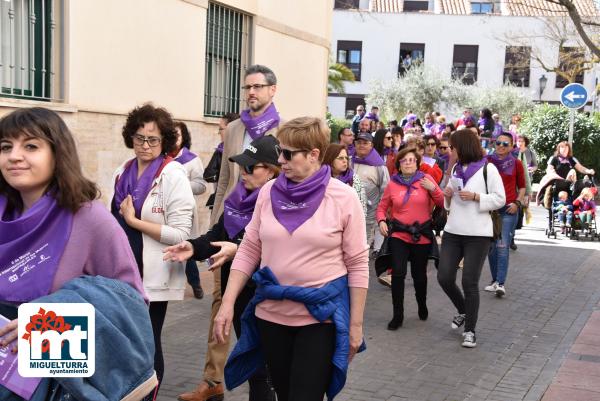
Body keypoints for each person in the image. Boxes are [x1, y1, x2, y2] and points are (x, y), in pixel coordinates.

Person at [0, 107, 152, 396]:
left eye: (31, 146)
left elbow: (131, 305)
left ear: (58, 154)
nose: (14, 156)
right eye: (5, 147)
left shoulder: (89, 218)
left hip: (55, 386)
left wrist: (42, 329)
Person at [214, 117, 369, 401]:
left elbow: (358, 263)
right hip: (271, 316)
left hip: (319, 318)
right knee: (284, 394)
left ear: (313, 154)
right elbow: (250, 248)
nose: (280, 160)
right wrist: (227, 304)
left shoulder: (343, 197)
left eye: (288, 154)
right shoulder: (267, 193)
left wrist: (356, 326)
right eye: (279, 153)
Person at [183, 64, 283, 401]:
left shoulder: (285, 132)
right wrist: (215, 230)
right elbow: (226, 180)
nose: (251, 93)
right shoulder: (234, 129)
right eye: (247, 87)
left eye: (258, 86)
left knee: (257, 313)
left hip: (268, 235)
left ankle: (265, 378)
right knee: (221, 308)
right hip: (230, 224)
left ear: (272, 90)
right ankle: (212, 383)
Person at [165, 135, 281, 401]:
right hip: (239, 294)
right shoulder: (237, 200)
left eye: (251, 167)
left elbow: (277, 250)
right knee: (255, 367)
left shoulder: (279, 204)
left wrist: (238, 249)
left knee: (268, 371)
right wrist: (193, 247)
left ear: (271, 172)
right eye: (242, 165)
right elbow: (217, 236)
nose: (243, 172)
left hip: (267, 296)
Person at [111, 103, 196, 391]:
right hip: (122, 270)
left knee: (147, 340)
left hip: (154, 272)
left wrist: (135, 222)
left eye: (152, 139)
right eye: (139, 138)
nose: (144, 145)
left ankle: (151, 395)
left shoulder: (173, 174)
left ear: (165, 142)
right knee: (125, 341)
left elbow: (181, 234)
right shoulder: (123, 171)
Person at [437, 129, 505, 348]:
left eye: (452, 147)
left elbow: (500, 199)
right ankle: (464, 311)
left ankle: (470, 331)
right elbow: (449, 200)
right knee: (444, 277)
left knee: (469, 282)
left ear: (462, 147)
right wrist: (447, 196)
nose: (450, 151)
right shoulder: (457, 168)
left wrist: (476, 197)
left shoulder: (488, 169)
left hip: (478, 235)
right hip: (453, 231)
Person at [376, 147, 444, 330]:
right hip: (399, 234)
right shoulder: (392, 184)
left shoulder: (426, 180)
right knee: (398, 273)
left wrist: (434, 190)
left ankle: (422, 304)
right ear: (398, 164)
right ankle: (398, 315)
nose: (408, 163)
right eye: (404, 160)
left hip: (421, 234)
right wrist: (381, 220)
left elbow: (442, 202)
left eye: (411, 160)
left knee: (419, 275)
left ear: (417, 163)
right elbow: (382, 207)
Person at [483, 133, 526, 297]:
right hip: (489, 210)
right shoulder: (487, 161)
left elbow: (522, 187)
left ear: (512, 146)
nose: (501, 146)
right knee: (491, 248)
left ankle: (501, 283)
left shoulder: (516, 164)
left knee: (502, 245)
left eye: (505, 144)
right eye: (498, 142)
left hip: (508, 210)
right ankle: (495, 281)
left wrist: (517, 203)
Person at [172, 121, 208, 300]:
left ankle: (195, 283)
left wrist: (180, 184)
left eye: (177, 134)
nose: (174, 138)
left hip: (183, 210)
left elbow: (201, 185)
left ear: (184, 137)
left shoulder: (191, 159)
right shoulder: (161, 157)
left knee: (184, 245)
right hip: (162, 210)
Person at [351, 132, 390, 251]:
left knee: (364, 241)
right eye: (359, 142)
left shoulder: (379, 166)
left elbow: (386, 190)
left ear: (371, 145)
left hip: (369, 212)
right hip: (349, 210)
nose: (361, 145)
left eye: (365, 143)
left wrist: (383, 210)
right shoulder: (348, 161)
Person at [204, 112, 239, 210]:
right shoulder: (220, 150)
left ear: (231, 129)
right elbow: (207, 175)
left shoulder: (245, 151)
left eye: (221, 128)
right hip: (219, 202)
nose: (219, 132)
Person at [323, 143, 367, 215]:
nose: (345, 161)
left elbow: (362, 207)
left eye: (346, 158)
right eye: (340, 158)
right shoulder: (322, 178)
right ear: (330, 159)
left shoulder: (353, 179)